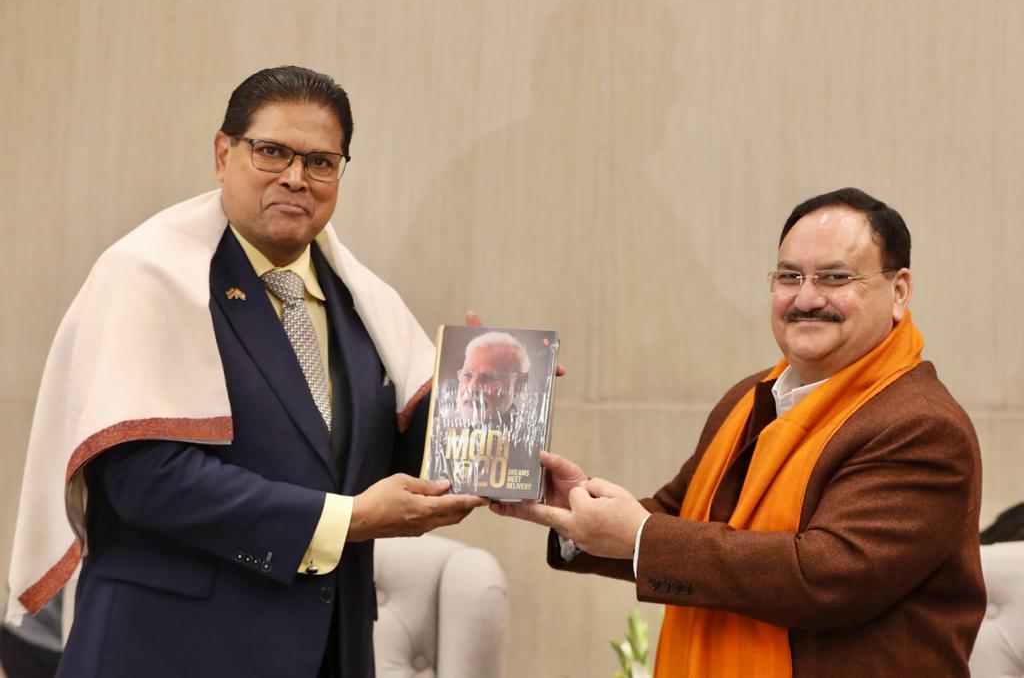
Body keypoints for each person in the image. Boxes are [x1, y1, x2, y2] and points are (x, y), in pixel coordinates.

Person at [6, 66, 485, 678]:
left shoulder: (362, 304)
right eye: (271, 152)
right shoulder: (150, 278)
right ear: (222, 153)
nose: (295, 177)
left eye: (320, 162)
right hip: (167, 651)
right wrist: (347, 519)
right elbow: (143, 480)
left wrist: (486, 403)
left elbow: (382, 459)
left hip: (326, 651)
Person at [493, 187, 985, 677]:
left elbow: (824, 576)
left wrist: (642, 535)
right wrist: (577, 512)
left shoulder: (921, 426)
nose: (807, 299)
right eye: (790, 276)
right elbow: (679, 518)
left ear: (898, 291)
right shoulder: (752, 396)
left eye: (835, 278)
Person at [456, 331, 530, 425]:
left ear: (520, 384)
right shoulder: (437, 428)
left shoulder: (531, 434)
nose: (472, 388)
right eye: (467, 375)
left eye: (489, 378)